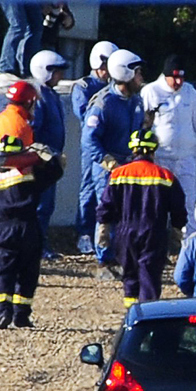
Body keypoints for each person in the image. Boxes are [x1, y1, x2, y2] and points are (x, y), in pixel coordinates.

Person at [95, 129, 188, 308]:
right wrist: (177, 230)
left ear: (133, 150)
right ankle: (149, 319)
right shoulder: (165, 176)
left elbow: (106, 204)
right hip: (154, 233)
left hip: (125, 233)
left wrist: (104, 228)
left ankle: (132, 318)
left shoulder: (118, 175)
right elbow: (178, 207)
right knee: (150, 277)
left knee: (130, 276)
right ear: (153, 150)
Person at [0, 135, 65, 329]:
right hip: (28, 227)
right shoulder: (29, 175)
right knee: (28, 271)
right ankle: (21, 315)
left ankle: (2, 312)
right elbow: (55, 172)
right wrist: (47, 155)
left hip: (2, 231)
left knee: (3, 272)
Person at [141, 55, 196, 236]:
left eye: (182, 77)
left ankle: (190, 243)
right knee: (157, 202)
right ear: (165, 75)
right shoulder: (150, 92)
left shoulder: (189, 92)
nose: (178, 82)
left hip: (185, 158)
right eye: (174, 77)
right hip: (160, 158)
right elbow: (141, 126)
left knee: (188, 202)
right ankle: (156, 242)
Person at [83, 49, 147, 269]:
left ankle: (123, 254)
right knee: (106, 212)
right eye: (138, 73)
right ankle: (104, 260)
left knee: (128, 213)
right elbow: (89, 141)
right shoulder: (103, 104)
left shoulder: (136, 101)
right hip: (108, 168)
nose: (141, 78)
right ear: (126, 74)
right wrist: (111, 164)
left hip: (130, 165)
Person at [72, 40, 117, 253]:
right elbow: (84, 115)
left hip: (111, 144)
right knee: (88, 188)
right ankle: (84, 232)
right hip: (93, 145)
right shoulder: (83, 87)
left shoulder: (114, 87)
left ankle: (105, 235)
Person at [29, 50, 70, 260]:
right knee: (41, 206)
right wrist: (44, 155)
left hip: (52, 159)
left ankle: (41, 243)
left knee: (47, 205)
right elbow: (35, 130)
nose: (60, 76)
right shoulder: (39, 97)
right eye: (56, 72)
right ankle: (37, 246)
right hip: (42, 162)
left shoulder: (52, 95)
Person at [0, 79, 38, 184]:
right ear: (28, 103)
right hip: (9, 187)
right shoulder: (20, 125)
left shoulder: (0, 118)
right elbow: (16, 160)